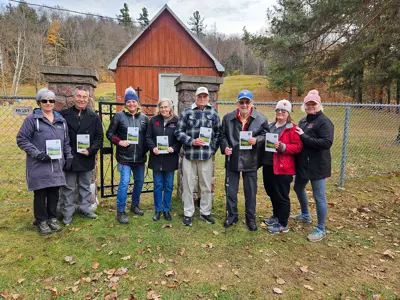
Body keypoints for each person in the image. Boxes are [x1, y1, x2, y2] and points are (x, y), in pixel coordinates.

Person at [16, 88, 73, 235]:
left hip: (56, 164)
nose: (48, 103)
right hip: (39, 163)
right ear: (39, 102)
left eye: (51, 100)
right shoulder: (32, 120)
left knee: (54, 192)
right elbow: (22, 139)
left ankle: (52, 218)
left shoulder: (61, 121)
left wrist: (69, 156)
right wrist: (37, 154)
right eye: (45, 100)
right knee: (40, 193)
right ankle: (41, 221)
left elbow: (66, 141)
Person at [220, 90, 267, 231]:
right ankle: (232, 215)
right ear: (237, 103)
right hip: (233, 159)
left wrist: (257, 140)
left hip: (251, 160)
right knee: (231, 190)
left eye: (247, 102)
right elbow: (222, 136)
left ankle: (250, 218)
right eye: (242, 102)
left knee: (250, 191)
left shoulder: (261, 118)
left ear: (252, 103)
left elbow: (266, 135)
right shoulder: (228, 118)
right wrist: (225, 147)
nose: (244, 104)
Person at [292, 90, 334, 242]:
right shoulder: (303, 120)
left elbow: (326, 143)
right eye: (308, 104)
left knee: (319, 196)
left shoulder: (324, 122)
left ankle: (321, 228)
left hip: (317, 165)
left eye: (313, 104)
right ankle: (305, 214)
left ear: (319, 105)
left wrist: (304, 136)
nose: (310, 106)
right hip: (303, 164)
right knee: (297, 188)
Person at [175, 86, 221, 227]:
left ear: (208, 98)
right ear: (195, 97)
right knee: (188, 185)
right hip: (189, 155)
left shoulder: (213, 112)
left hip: (206, 156)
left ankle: (205, 212)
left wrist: (212, 150)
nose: (202, 99)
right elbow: (178, 132)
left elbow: (218, 133)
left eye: (204, 96)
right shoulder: (187, 112)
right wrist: (191, 141)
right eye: (199, 96)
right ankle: (188, 213)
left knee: (206, 186)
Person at [59, 86, 103, 226]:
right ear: (73, 97)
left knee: (85, 186)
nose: (82, 99)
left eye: (84, 97)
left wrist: (90, 150)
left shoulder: (94, 117)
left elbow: (99, 138)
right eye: (79, 96)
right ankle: (67, 214)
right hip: (70, 157)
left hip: (86, 157)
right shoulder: (63, 115)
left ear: (88, 99)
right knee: (68, 188)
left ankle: (85, 209)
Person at [106, 87, 149, 224]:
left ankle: (135, 205)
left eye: (133, 101)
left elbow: (148, 137)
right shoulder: (119, 117)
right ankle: (121, 211)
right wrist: (119, 142)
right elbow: (110, 134)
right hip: (125, 157)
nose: (131, 104)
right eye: (128, 102)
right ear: (125, 104)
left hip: (140, 158)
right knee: (124, 183)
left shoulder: (144, 118)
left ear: (137, 103)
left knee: (139, 182)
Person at [260, 100, 302, 233]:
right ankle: (276, 216)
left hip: (283, 167)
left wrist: (283, 147)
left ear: (288, 113)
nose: (280, 112)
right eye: (278, 110)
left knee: (282, 194)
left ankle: (283, 223)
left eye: (283, 111)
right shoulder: (270, 125)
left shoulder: (292, 128)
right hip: (269, 164)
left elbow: (298, 147)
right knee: (271, 191)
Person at [146, 98, 181, 221]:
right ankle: (157, 210)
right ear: (158, 108)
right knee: (157, 185)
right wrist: (153, 147)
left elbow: (179, 141)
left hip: (170, 159)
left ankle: (166, 210)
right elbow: (148, 137)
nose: (164, 109)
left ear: (171, 108)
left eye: (166, 107)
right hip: (156, 158)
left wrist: (173, 148)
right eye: (161, 107)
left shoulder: (177, 121)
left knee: (168, 186)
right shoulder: (154, 121)